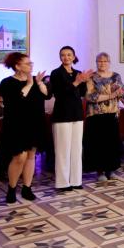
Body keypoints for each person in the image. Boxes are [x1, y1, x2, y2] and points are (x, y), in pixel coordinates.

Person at [0, 52, 49, 203]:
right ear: (17, 66)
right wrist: (29, 84)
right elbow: (16, 100)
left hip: (34, 123)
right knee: (19, 157)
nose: (31, 66)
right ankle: (12, 188)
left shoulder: (34, 80)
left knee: (31, 155)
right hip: (16, 125)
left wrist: (39, 83)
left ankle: (27, 187)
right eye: (27, 64)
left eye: (31, 63)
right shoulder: (7, 82)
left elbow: (47, 95)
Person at [50, 46, 92, 192]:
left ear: (73, 57)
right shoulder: (56, 73)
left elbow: (82, 93)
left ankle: (76, 180)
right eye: (63, 55)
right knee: (63, 150)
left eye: (69, 55)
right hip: (62, 115)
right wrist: (76, 82)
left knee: (77, 149)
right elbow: (60, 93)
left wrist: (85, 81)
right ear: (60, 57)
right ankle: (62, 182)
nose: (66, 57)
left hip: (77, 114)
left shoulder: (78, 73)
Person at [84, 52, 124, 181]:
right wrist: (111, 95)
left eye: (105, 61)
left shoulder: (116, 76)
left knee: (112, 143)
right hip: (96, 115)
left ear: (109, 62)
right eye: (99, 61)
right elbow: (90, 97)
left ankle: (111, 169)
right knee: (98, 144)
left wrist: (121, 93)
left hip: (112, 114)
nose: (102, 63)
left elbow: (123, 92)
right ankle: (100, 171)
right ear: (96, 63)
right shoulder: (91, 77)